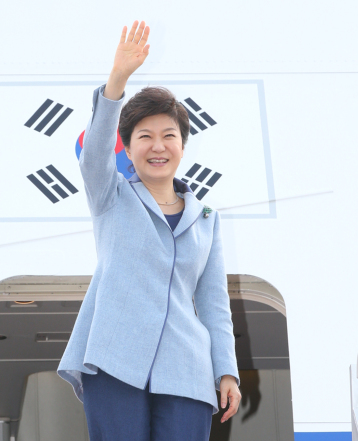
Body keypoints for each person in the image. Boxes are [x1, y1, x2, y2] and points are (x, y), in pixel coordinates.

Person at [57, 20, 241, 441]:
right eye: (145, 136)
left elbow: (214, 304)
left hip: (188, 369)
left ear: (182, 145)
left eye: (168, 136)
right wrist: (116, 81)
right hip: (115, 358)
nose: (158, 146)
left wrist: (225, 370)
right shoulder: (111, 196)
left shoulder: (208, 218)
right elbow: (95, 155)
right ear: (129, 146)